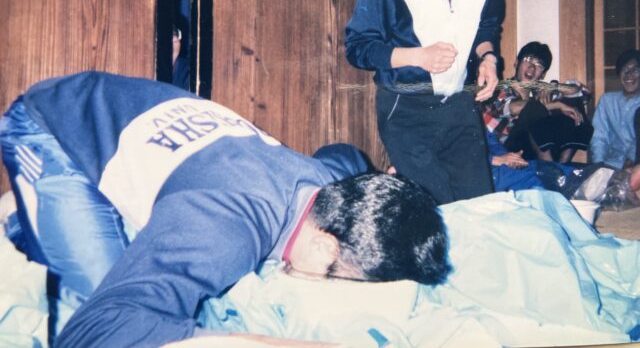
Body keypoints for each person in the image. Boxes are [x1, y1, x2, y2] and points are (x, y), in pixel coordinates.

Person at [0, 71, 450, 348]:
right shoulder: (225, 226)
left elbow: (343, 152)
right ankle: (24, 222)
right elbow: (96, 334)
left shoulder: (330, 182)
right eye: (342, 279)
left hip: (134, 123)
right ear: (323, 245)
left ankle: (41, 227)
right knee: (97, 312)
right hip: (52, 125)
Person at [344, 0, 504, 205]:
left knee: (479, 205)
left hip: (459, 104)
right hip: (406, 108)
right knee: (435, 207)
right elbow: (357, 48)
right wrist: (417, 56)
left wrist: (488, 58)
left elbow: (487, 24)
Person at [483, 41, 593, 163]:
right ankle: (549, 167)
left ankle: (562, 165)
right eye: (527, 60)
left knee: (574, 104)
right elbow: (513, 108)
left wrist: (553, 87)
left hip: (535, 150)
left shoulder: (541, 92)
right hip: (506, 151)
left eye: (539, 65)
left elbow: (584, 93)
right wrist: (558, 105)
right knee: (535, 109)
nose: (532, 67)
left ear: (542, 75)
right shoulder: (500, 88)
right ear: (516, 63)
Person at [590, 48, 640, 169]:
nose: (629, 75)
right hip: (610, 164)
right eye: (625, 70)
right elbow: (599, 136)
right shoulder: (607, 101)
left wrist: (628, 166)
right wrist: (598, 166)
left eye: (635, 70)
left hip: (636, 166)